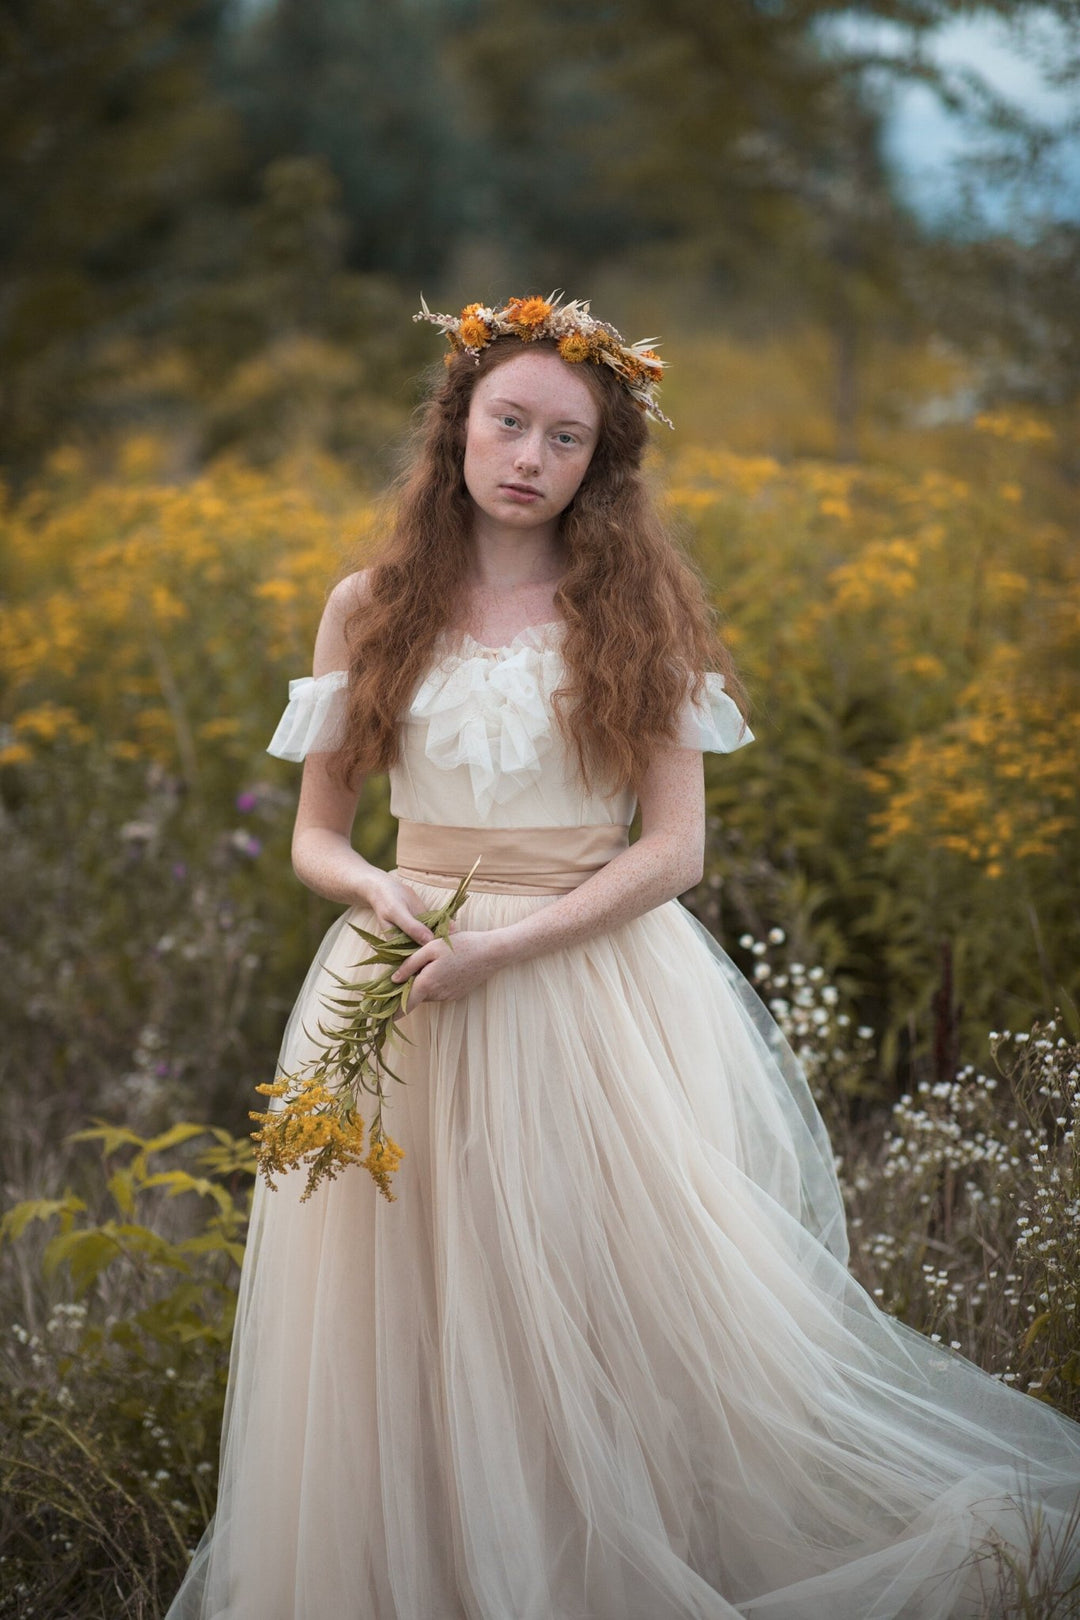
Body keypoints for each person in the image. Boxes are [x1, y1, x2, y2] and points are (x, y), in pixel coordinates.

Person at [167, 294, 1080, 1620]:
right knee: (403, 1310)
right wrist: (372, 886)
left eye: (565, 438)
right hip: (400, 980)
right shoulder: (367, 608)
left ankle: (583, 1564)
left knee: (581, 1301)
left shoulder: (635, 614)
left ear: (602, 464)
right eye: (508, 423)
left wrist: (513, 946)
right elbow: (318, 832)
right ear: (458, 429)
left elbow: (672, 854)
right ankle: (420, 1568)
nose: (529, 457)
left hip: (579, 987)